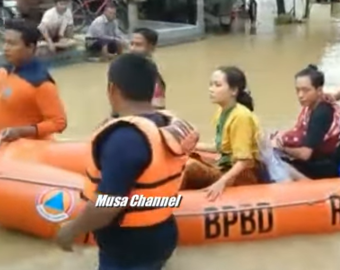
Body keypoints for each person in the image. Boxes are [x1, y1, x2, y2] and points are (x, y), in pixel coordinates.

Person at [56, 54, 199, 270]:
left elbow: (109, 205)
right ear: (153, 90)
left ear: (112, 89)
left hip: (129, 250)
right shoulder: (166, 124)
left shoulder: (124, 139)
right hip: (162, 234)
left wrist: (72, 230)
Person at [0, 19, 67, 149]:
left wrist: (23, 131)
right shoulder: (5, 72)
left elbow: (58, 122)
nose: (5, 48)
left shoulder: (40, 83)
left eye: (12, 44)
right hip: (2, 152)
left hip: (28, 155)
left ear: (30, 47)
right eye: (4, 42)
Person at [182, 66, 264, 200]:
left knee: (190, 166)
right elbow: (221, 147)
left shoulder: (241, 116)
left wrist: (222, 182)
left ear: (233, 91)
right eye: (211, 85)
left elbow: (244, 161)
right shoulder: (222, 112)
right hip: (225, 165)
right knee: (188, 157)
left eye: (217, 85)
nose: (211, 89)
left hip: (242, 175)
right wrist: (192, 147)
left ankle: (164, 203)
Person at [272, 65, 340, 179]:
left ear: (319, 90)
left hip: (324, 166)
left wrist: (282, 148)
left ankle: (308, 185)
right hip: (320, 158)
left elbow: (305, 155)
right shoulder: (312, 106)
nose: (300, 95)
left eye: (306, 90)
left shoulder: (321, 114)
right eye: (298, 90)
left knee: (278, 164)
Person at [130, 28, 166, 109]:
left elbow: (158, 106)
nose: (132, 48)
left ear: (151, 47)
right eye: (131, 44)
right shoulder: (122, 68)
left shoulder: (152, 75)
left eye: (138, 45)